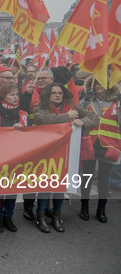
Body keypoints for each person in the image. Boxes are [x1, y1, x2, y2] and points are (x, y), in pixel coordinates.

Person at [33, 83, 99, 233]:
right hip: (48, 152)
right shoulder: (41, 106)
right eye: (54, 93)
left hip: (67, 152)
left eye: (60, 93)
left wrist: (83, 121)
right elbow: (42, 119)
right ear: (48, 95)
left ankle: (57, 216)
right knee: (46, 184)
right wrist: (66, 117)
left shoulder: (72, 105)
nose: (57, 95)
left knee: (61, 185)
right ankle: (41, 217)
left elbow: (94, 118)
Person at [0, 84, 28, 233]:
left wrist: (21, 129)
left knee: (12, 189)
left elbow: (28, 137)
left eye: (16, 94)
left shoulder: (22, 114)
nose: (15, 97)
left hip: (15, 156)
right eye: (11, 94)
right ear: (3, 96)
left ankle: (8, 216)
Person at [78, 76, 118, 223]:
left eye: (101, 83)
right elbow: (78, 112)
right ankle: (84, 206)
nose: (98, 86)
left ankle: (101, 209)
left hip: (109, 145)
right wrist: (86, 99)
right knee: (87, 177)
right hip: (90, 143)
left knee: (104, 179)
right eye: (95, 84)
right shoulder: (88, 99)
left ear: (109, 85)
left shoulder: (116, 101)